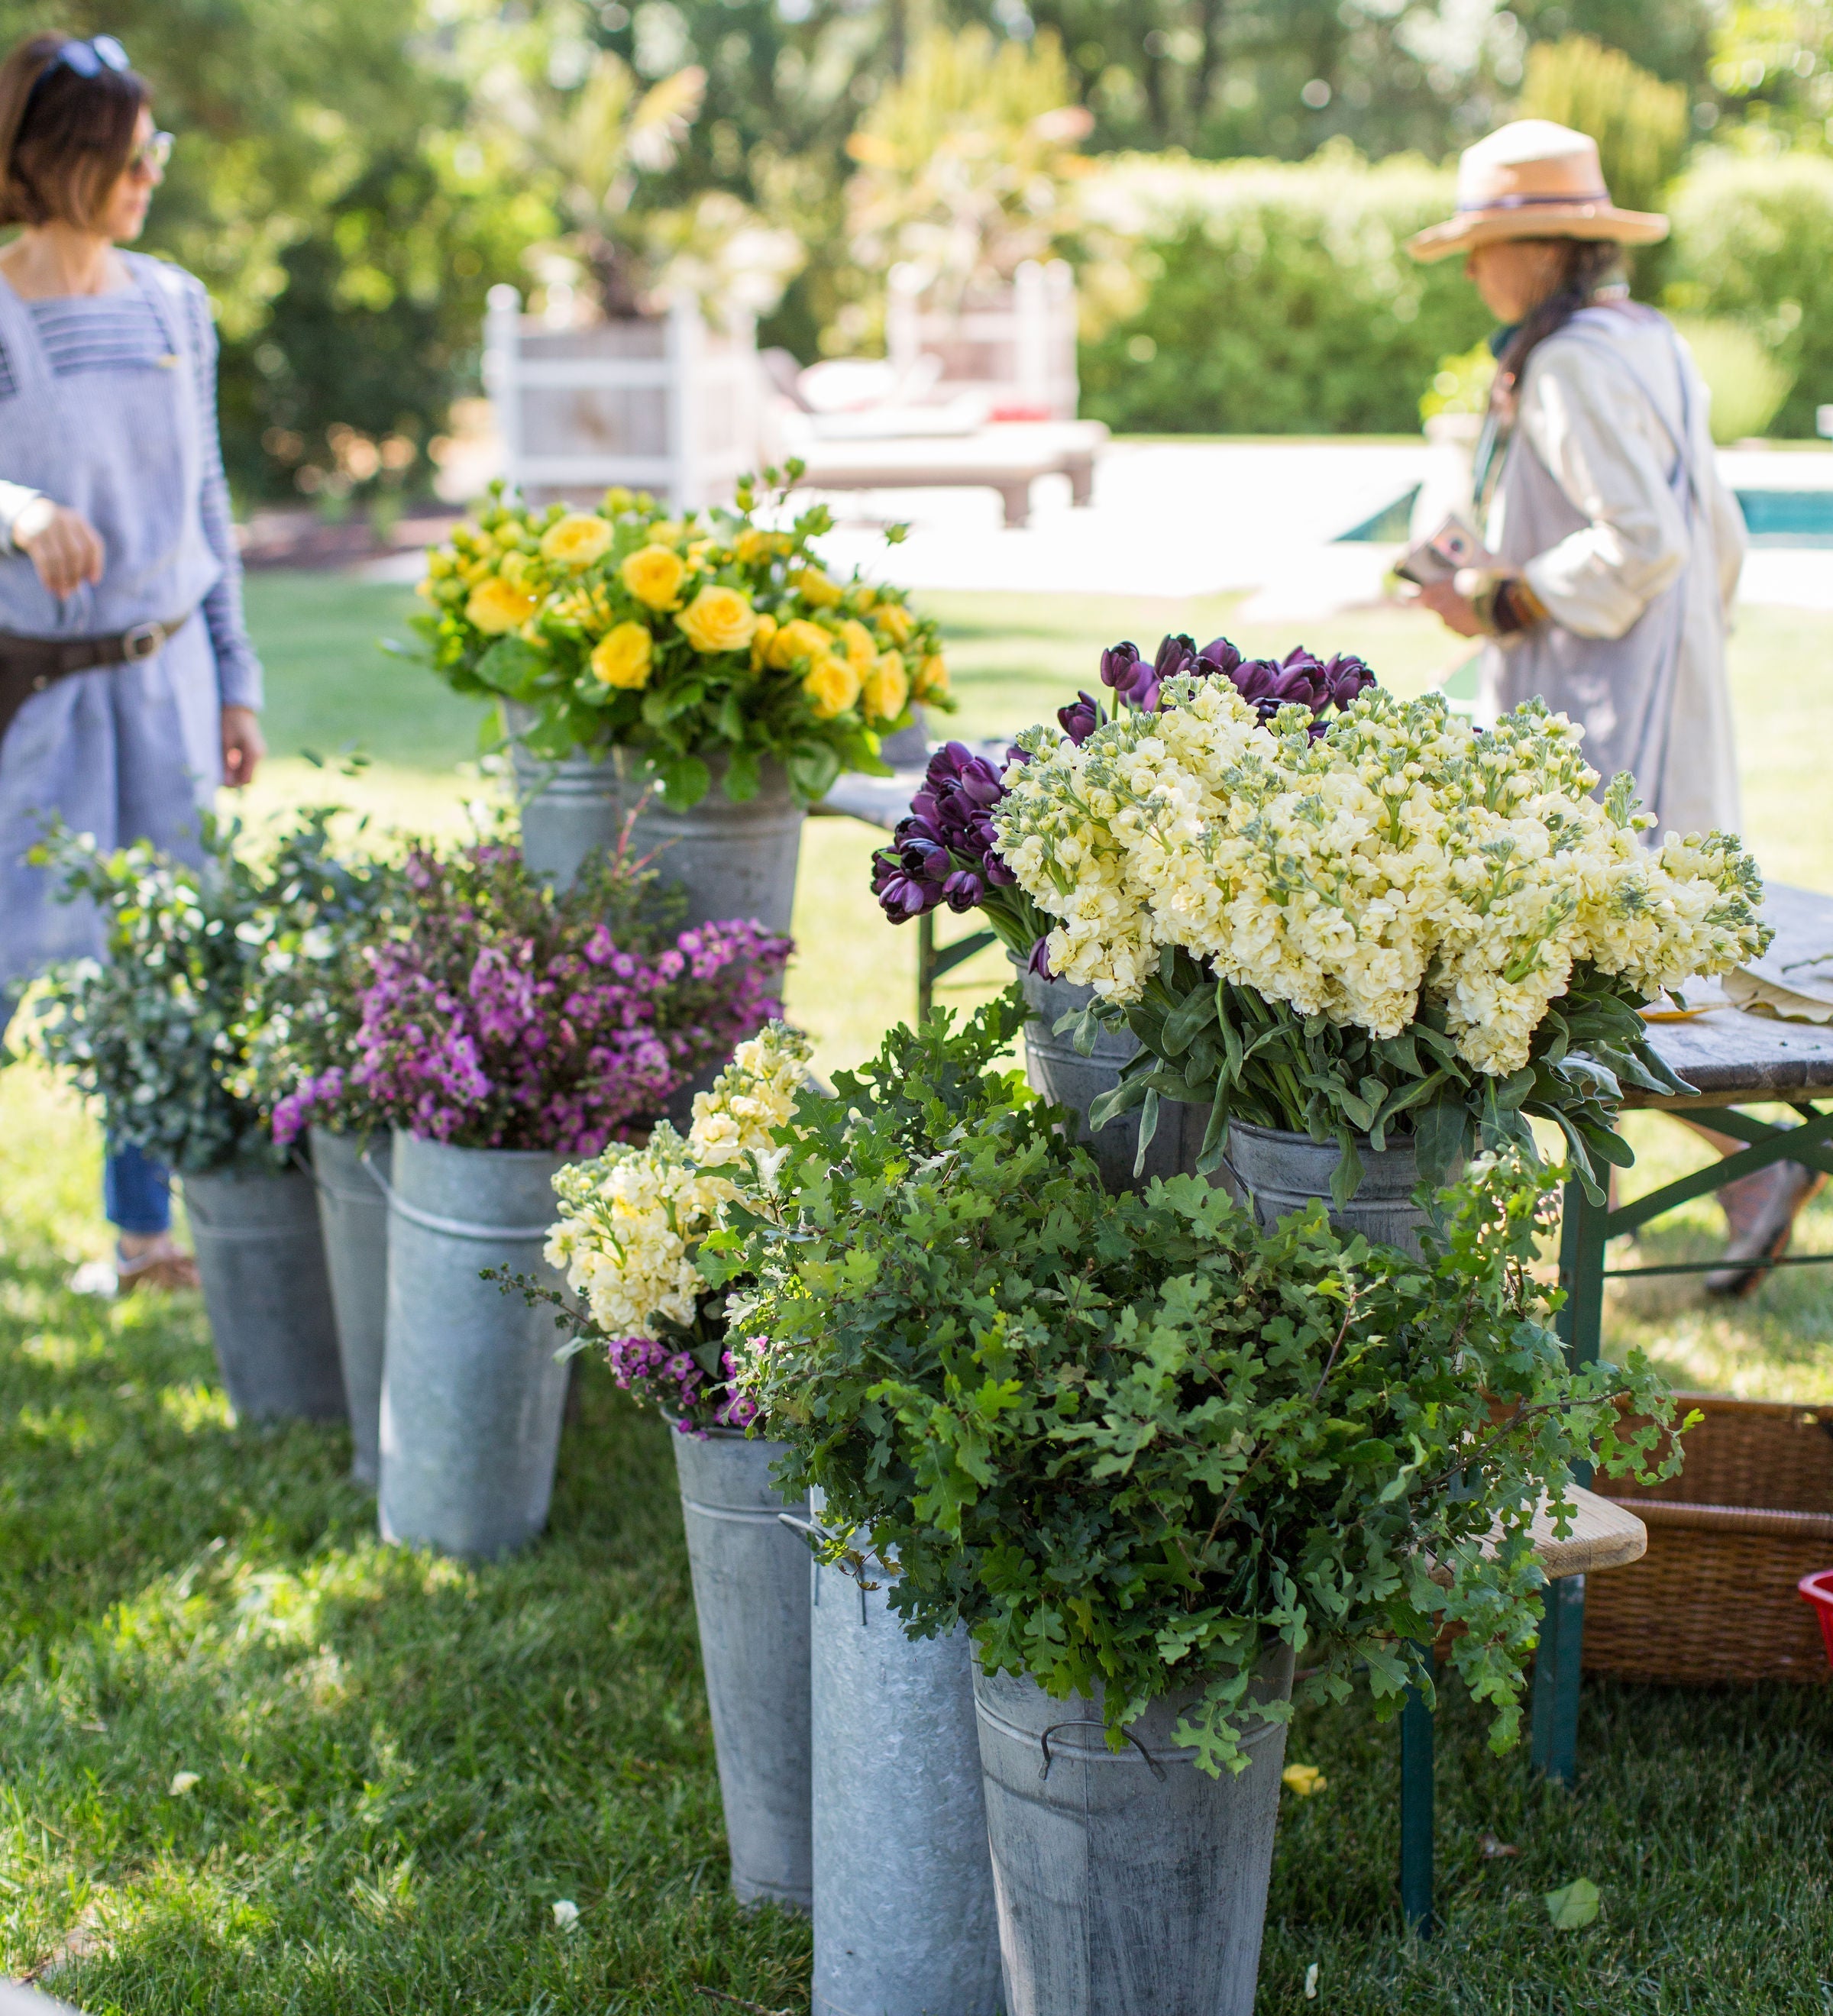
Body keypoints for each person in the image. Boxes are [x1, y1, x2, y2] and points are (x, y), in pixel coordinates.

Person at [1404, 118, 1821, 1295]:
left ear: (1538, 248)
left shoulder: (1570, 361)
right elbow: (1715, 540)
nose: (1475, 272)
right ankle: (1638, 1198)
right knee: (1622, 958)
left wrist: (1497, 598)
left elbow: (1637, 543)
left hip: (1595, 703)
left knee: (1570, 962)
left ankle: (1739, 1169)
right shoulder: (1650, 342)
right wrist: (1685, 652)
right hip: (1660, 681)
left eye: (1485, 247)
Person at [0, 31, 265, 1292]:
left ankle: (145, 1237)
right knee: (8, 951)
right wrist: (13, 505)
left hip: (163, 680)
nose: (151, 173)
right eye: (128, 153)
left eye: (155, 149)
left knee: (160, 960)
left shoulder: (174, 303)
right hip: (31, 691)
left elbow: (208, 501)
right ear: (58, 160)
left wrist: (237, 678)